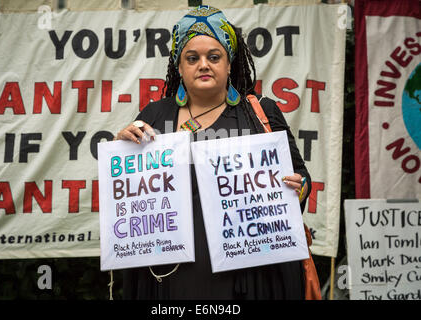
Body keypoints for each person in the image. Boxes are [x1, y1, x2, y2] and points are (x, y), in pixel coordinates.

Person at [115, 5, 312, 300]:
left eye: (214, 57)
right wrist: (123, 146)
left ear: (229, 63)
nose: (203, 65)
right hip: (174, 276)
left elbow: (303, 180)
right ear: (179, 66)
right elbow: (133, 192)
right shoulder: (154, 116)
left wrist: (297, 188)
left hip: (249, 276)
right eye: (192, 58)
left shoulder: (261, 113)